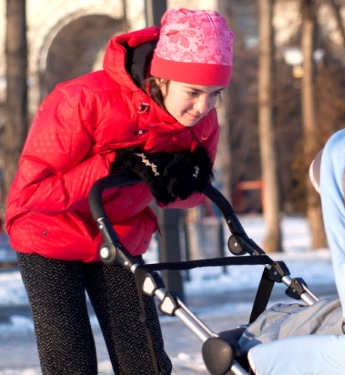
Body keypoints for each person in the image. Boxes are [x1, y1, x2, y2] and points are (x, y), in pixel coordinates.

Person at [5, 8, 234, 375]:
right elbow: (30, 196)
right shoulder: (81, 100)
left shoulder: (202, 119)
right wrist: (115, 164)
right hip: (48, 234)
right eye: (193, 92)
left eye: (215, 94)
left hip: (120, 233)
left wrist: (188, 179)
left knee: (145, 361)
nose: (203, 107)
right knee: (71, 362)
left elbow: (183, 198)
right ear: (162, 78)